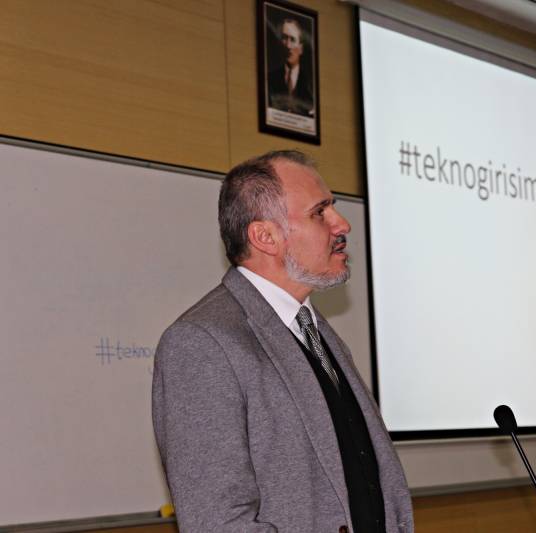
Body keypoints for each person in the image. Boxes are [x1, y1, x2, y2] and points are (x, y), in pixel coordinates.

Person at [152, 150, 413, 532]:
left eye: (334, 208)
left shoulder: (317, 331)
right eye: (319, 212)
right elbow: (219, 523)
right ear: (265, 237)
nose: (342, 225)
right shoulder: (202, 343)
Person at [268, 18, 314, 116]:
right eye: (284, 38)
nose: (288, 45)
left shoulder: (310, 84)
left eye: (292, 39)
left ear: (301, 48)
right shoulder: (270, 78)